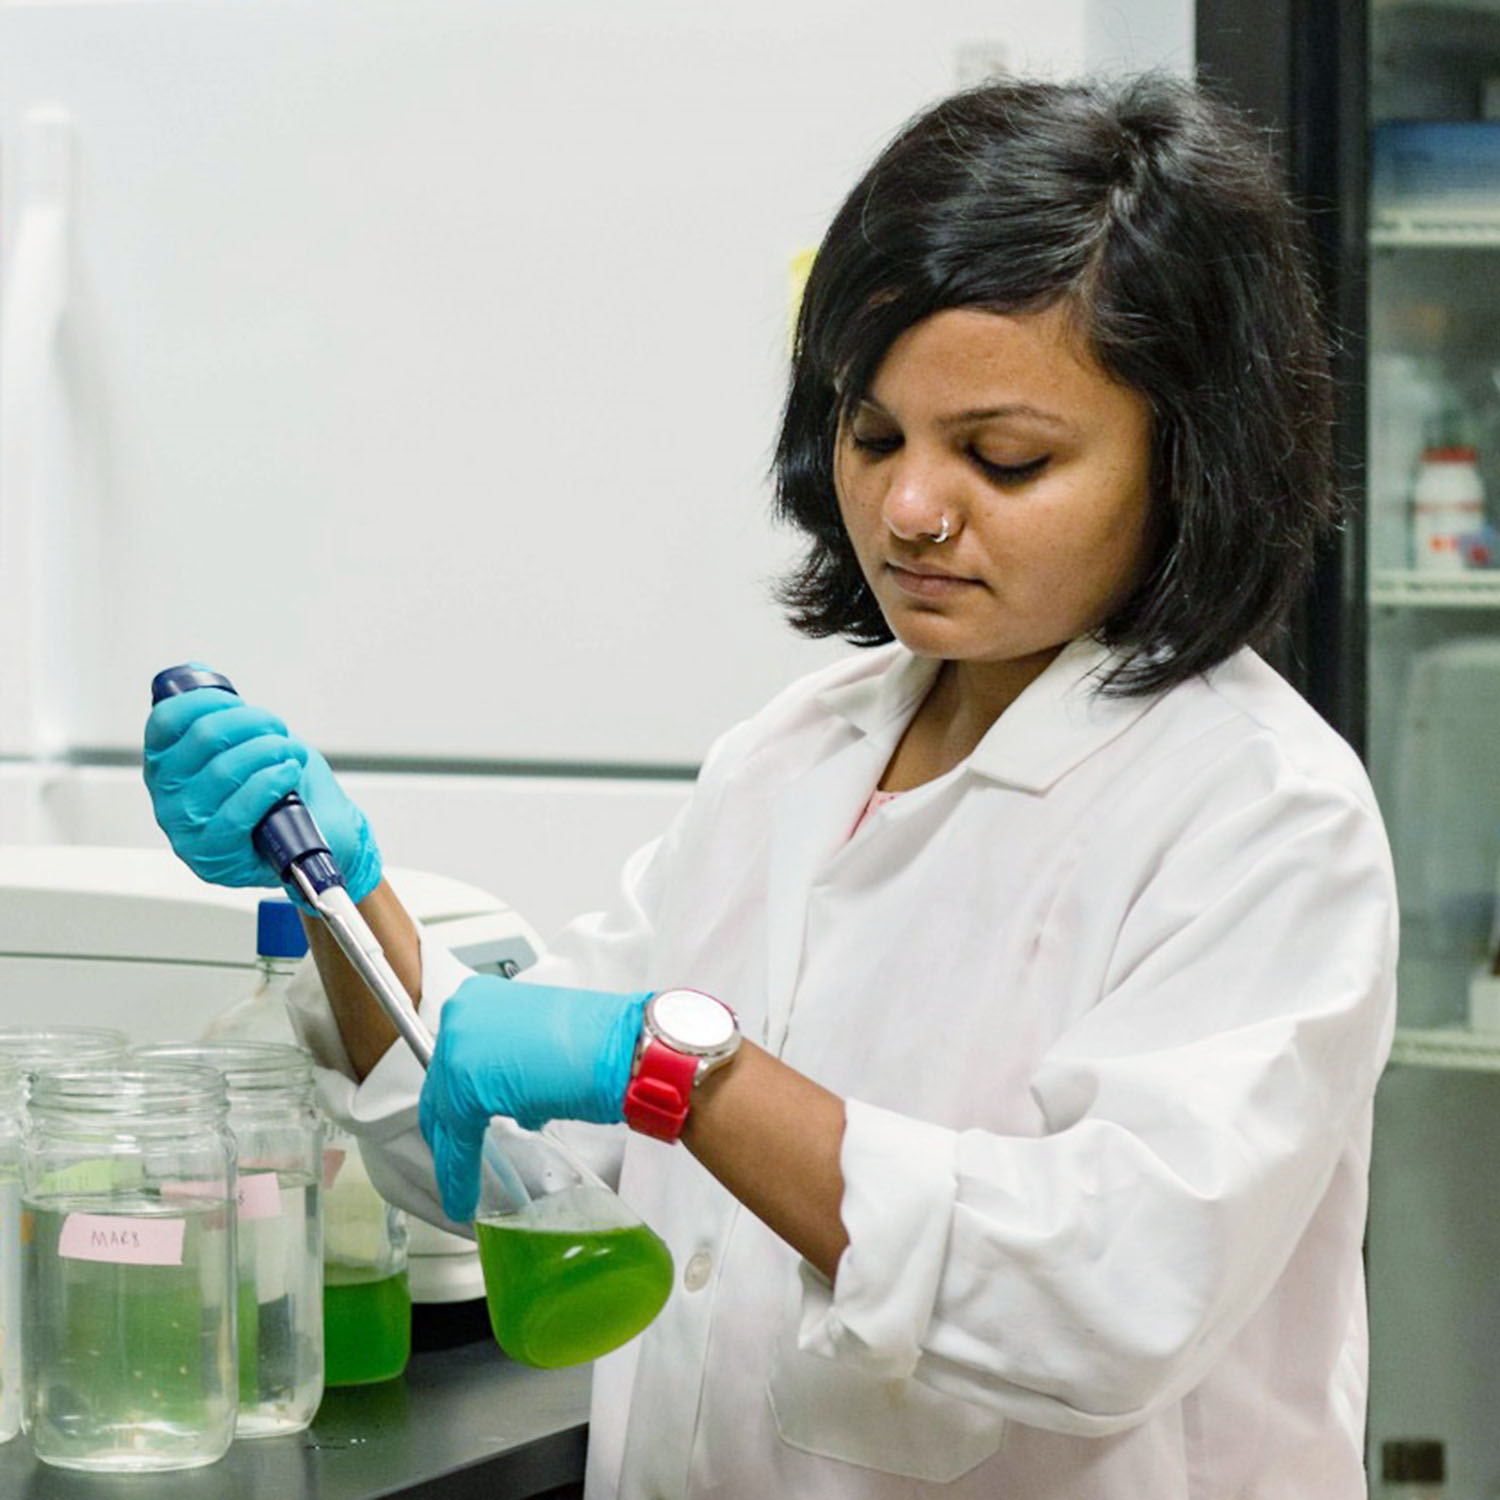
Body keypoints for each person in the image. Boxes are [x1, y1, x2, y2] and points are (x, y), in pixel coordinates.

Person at [142, 72, 1397, 1498]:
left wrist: (687, 1075)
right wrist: (340, 896)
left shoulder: (1261, 814)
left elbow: (1103, 1298)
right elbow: (502, 1172)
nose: (912, 508)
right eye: (874, 436)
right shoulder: (791, 759)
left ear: (1189, 464)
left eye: (1003, 456)